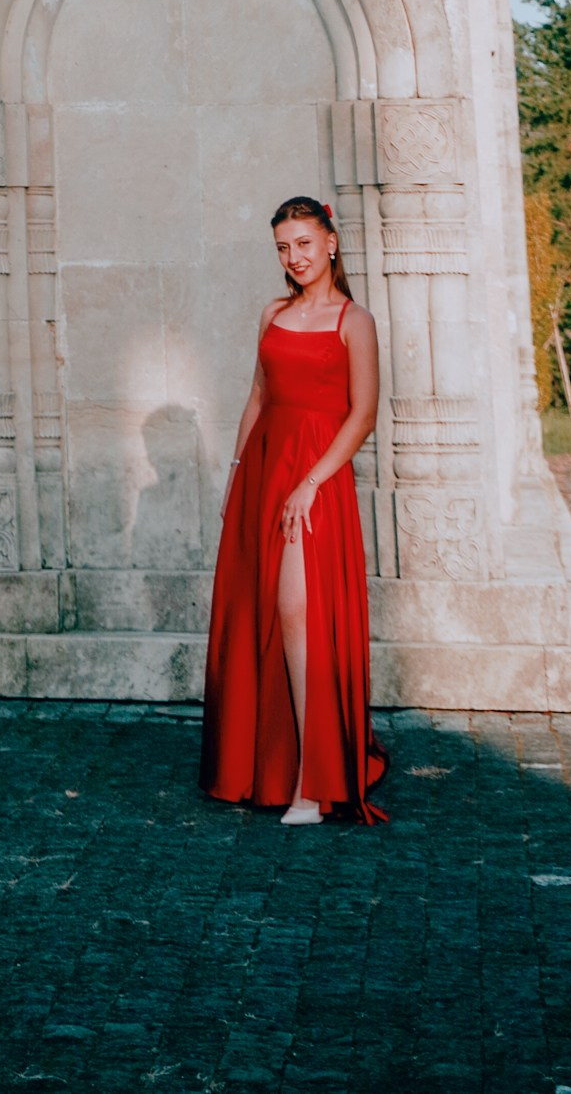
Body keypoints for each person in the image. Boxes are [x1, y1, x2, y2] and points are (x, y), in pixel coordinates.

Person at [201, 193, 387, 824]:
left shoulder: (353, 320)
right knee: (259, 616)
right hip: (263, 470)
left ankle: (314, 781)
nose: (294, 256)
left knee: (298, 610)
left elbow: (363, 414)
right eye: (283, 247)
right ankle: (269, 768)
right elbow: (257, 396)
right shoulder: (272, 313)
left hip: (317, 477)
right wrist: (235, 476)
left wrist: (311, 482)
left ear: (330, 242)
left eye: (304, 243)